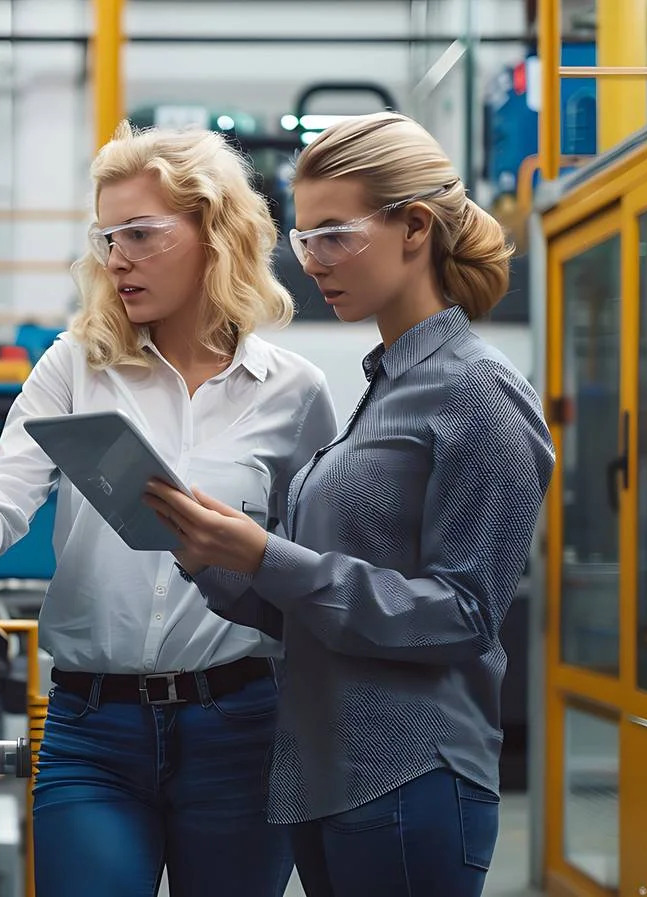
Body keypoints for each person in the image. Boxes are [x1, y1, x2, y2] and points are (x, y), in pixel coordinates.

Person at [0, 121, 338, 897]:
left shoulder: (293, 393)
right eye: (106, 237)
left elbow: (309, 573)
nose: (117, 258)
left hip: (242, 725)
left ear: (214, 233)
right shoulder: (76, 365)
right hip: (93, 726)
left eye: (141, 234)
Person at [145, 111, 555, 897]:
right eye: (303, 241)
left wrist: (266, 553)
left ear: (415, 227)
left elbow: (463, 613)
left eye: (334, 235)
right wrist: (205, 554)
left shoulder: (477, 391)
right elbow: (315, 608)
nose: (314, 262)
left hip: (410, 772)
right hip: (327, 775)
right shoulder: (384, 387)